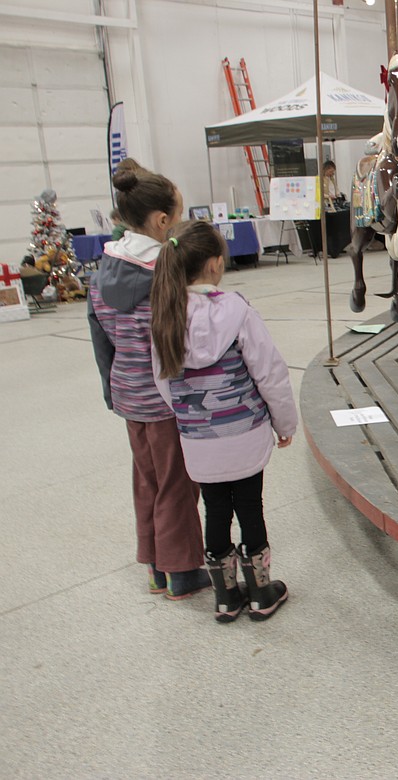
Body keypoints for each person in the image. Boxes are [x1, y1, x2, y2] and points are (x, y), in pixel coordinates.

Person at [151, 220, 299, 622]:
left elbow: (163, 384)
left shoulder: (165, 316)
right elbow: (269, 372)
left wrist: (191, 418)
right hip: (244, 433)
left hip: (198, 441)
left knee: (214, 511)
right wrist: (284, 422)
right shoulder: (237, 309)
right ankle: (261, 591)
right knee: (250, 506)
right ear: (216, 264)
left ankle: (225, 596)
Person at [88, 159, 209, 600]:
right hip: (166, 400)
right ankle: (182, 571)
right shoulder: (165, 273)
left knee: (148, 479)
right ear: (162, 221)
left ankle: (156, 566)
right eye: (176, 216)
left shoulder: (101, 273)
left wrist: (112, 392)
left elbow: (101, 342)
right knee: (177, 483)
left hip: (128, 396)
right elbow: (183, 342)